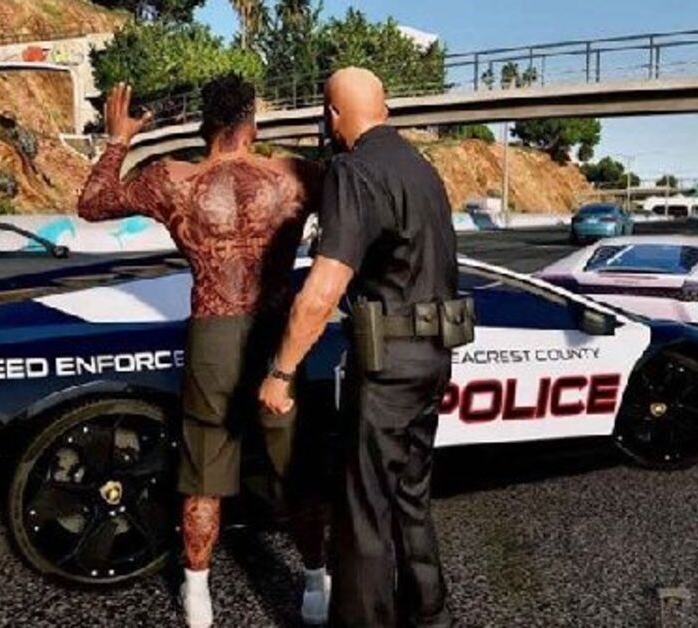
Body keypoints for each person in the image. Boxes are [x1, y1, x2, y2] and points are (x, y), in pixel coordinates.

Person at [78, 74, 331, 628]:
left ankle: (198, 595)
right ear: (251, 122)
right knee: (295, 466)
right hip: (277, 333)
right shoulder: (293, 175)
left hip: (213, 330)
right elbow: (356, 202)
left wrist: (119, 139)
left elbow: (92, 202)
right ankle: (316, 581)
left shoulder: (172, 180)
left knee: (203, 474)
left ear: (203, 125)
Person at [259, 67, 463, 627]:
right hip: (434, 356)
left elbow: (322, 290)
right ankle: (429, 615)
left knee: (363, 508)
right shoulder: (422, 168)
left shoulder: (354, 171)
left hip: (389, 363)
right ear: (385, 109)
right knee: (410, 494)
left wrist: (281, 371)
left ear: (331, 115)